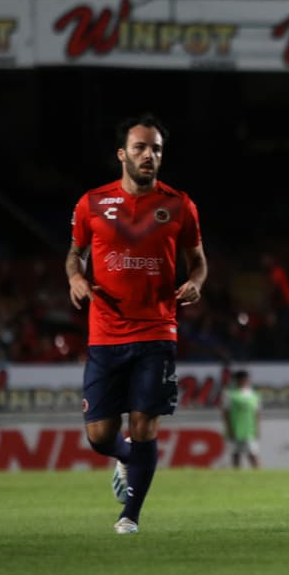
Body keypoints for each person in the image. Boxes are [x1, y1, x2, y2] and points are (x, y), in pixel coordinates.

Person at [66, 114, 207, 535]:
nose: (149, 155)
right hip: (106, 332)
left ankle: (130, 515)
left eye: (157, 149)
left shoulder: (179, 204)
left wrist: (196, 282)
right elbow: (75, 254)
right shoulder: (91, 203)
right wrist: (75, 276)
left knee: (145, 425)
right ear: (122, 154)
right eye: (141, 147)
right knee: (99, 435)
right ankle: (123, 456)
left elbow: (197, 260)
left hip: (157, 331)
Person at [222, 370, 261, 469]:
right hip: (235, 429)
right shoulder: (229, 394)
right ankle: (237, 476)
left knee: (253, 454)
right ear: (237, 380)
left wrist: (258, 428)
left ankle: (259, 476)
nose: (245, 381)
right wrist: (229, 429)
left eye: (247, 379)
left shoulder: (253, 395)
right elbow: (225, 413)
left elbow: (257, 413)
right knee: (236, 455)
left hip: (249, 430)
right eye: (243, 379)